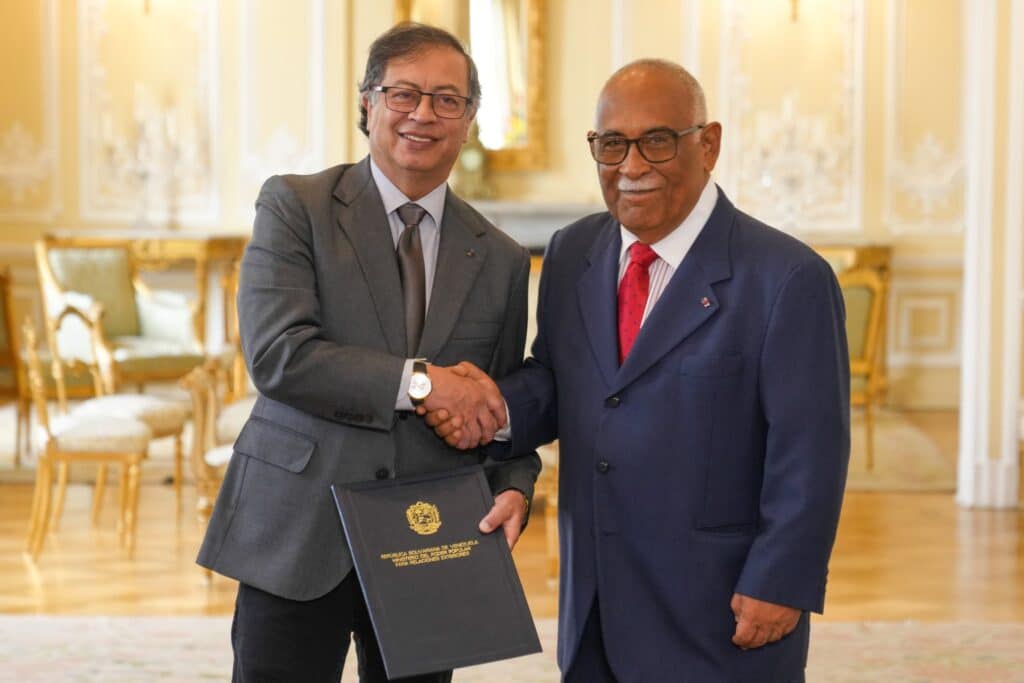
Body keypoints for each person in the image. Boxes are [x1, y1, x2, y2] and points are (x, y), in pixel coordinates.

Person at [426, 59, 850, 682]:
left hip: (720, 607)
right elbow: (559, 377)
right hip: (596, 597)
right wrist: (493, 411)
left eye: (657, 141)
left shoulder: (787, 279)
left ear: (708, 145)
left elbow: (811, 451)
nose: (631, 167)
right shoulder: (574, 252)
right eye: (612, 145)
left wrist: (781, 579)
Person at [197, 22, 539, 683]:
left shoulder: (499, 257)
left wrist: (517, 486)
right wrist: (421, 385)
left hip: (430, 539)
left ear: (468, 120)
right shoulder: (296, 206)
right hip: (298, 530)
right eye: (403, 93)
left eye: (447, 99)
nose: (423, 114)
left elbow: (495, 404)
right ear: (367, 104)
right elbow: (280, 354)